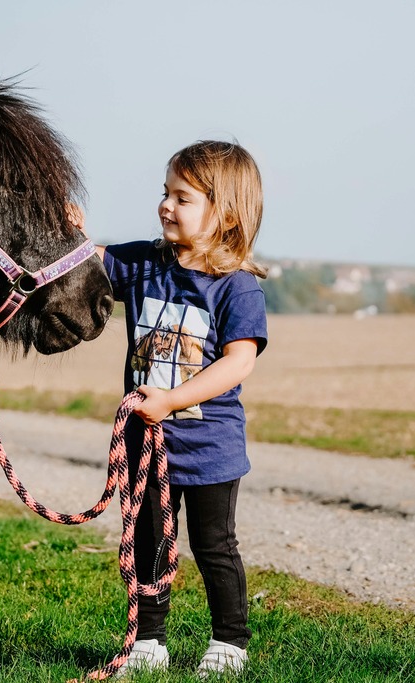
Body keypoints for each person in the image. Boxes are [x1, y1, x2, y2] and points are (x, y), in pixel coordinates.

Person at [73, 140, 268, 678]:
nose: (165, 205)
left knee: (214, 546)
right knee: (148, 542)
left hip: (209, 448)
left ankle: (230, 642)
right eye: (165, 193)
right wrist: (71, 232)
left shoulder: (236, 288)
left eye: (183, 198)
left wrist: (173, 400)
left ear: (225, 214)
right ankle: (147, 642)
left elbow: (239, 362)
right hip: (146, 443)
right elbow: (87, 263)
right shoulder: (143, 264)